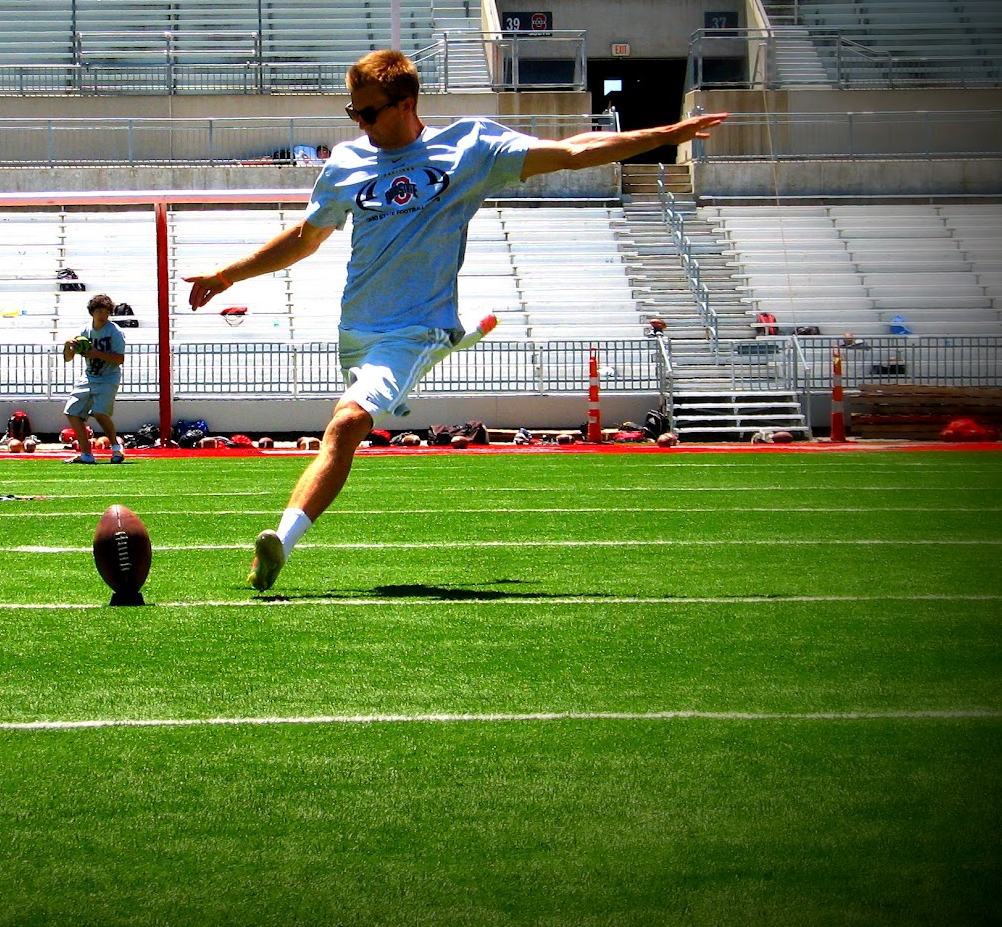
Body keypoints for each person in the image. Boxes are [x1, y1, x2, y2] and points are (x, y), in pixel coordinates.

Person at [184, 48, 725, 591]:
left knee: (347, 423)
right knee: (354, 414)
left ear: (406, 103)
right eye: (354, 113)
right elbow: (305, 238)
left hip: (412, 328)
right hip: (356, 331)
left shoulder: (468, 146)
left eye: (369, 113)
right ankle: (434, 356)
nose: (360, 124)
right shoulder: (346, 162)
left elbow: (573, 151)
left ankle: (280, 542)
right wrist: (226, 276)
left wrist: (666, 133)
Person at [60, 293, 126, 465]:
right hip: (88, 376)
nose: (102, 315)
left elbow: (120, 359)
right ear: (92, 312)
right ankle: (86, 454)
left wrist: (98, 354)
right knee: (72, 412)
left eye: (105, 312)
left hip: (108, 376)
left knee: (99, 412)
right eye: (99, 311)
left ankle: (116, 448)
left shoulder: (115, 332)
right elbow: (68, 358)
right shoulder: (84, 331)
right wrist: (68, 345)